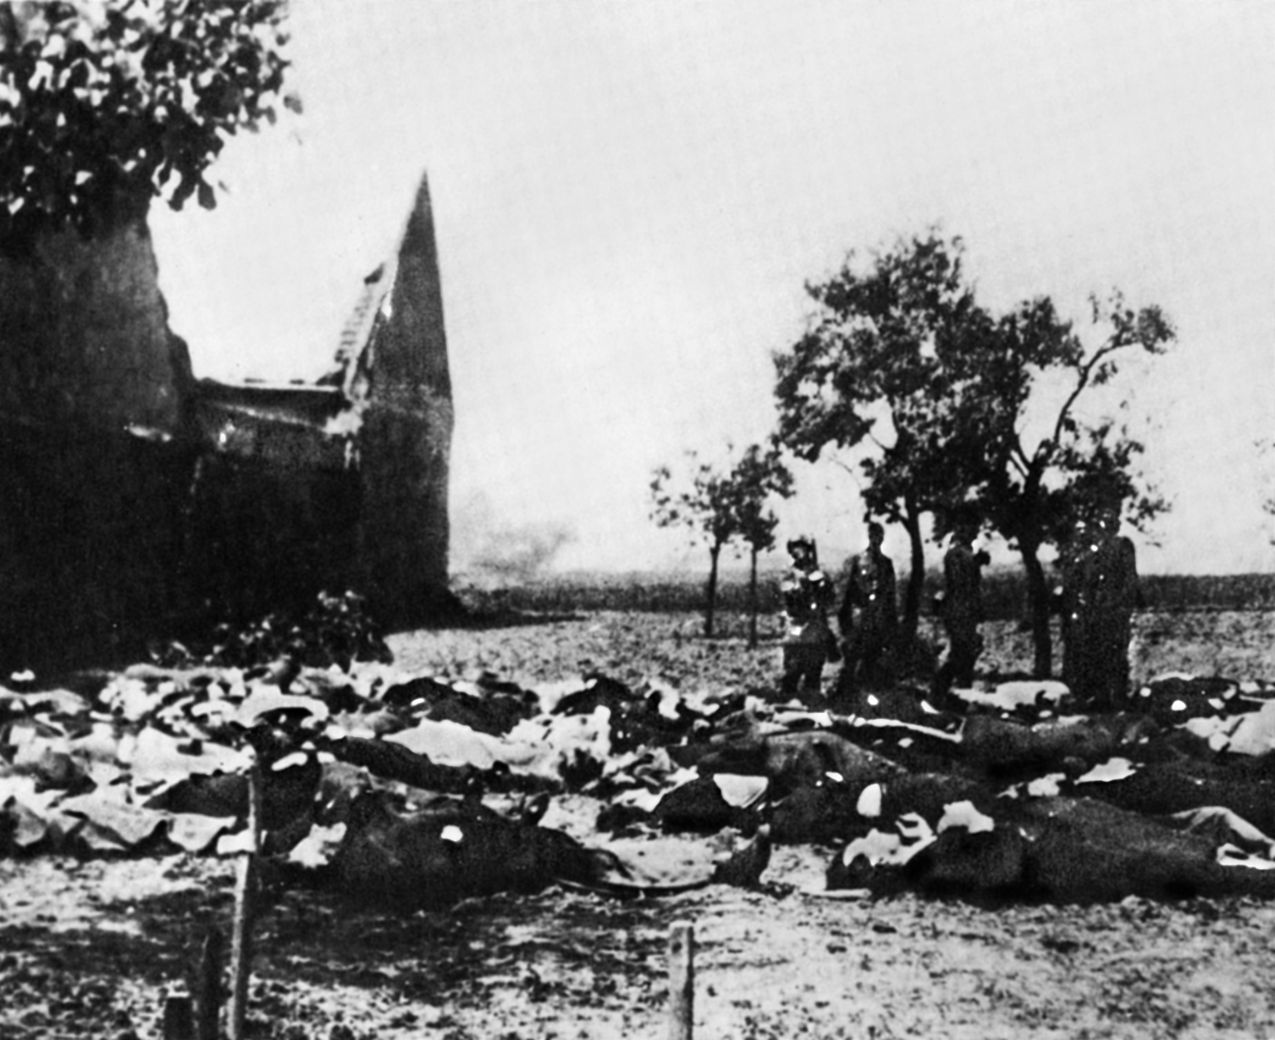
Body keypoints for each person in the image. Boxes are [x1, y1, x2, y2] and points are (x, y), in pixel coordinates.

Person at [1060, 499, 1139, 710]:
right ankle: (1096, 700)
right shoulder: (1090, 554)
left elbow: (1129, 581)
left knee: (1115, 660)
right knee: (1093, 660)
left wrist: (1120, 607)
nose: (1105, 527)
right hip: (1093, 615)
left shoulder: (1122, 547)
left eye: (1109, 521)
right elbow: (1082, 583)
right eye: (1102, 522)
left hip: (1113, 614)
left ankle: (1115, 701)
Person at [931, 515, 989, 707]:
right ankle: (942, 694)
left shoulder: (962, 553)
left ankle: (958, 696)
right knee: (961, 655)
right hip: (959, 611)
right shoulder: (957, 554)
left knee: (965, 656)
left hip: (964, 611)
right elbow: (962, 584)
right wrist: (975, 561)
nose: (974, 533)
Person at [837, 521, 897, 692]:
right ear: (869, 537)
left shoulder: (886, 563)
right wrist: (845, 618)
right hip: (860, 617)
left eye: (879, 536)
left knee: (874, 657)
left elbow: (890, 594)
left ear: (883, 538)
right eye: (873, 536)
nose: (876, 539)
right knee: (853, 657)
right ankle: (846, 693)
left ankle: (870, 695)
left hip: (879, 618)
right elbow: (849, 590)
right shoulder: (859, 561)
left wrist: (891, 621)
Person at [778, 536, 838, 700]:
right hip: (796, 627)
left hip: (815, 627)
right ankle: (787, 703)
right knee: (793, 671)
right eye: (796, 549)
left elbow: (829, 598)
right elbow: (788, 597)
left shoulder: (819, 572)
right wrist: (802, 589)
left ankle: (812, 702)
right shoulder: (789, 574)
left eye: (803, 548)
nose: (799, 552)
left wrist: (822, 585)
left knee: (814, 671)